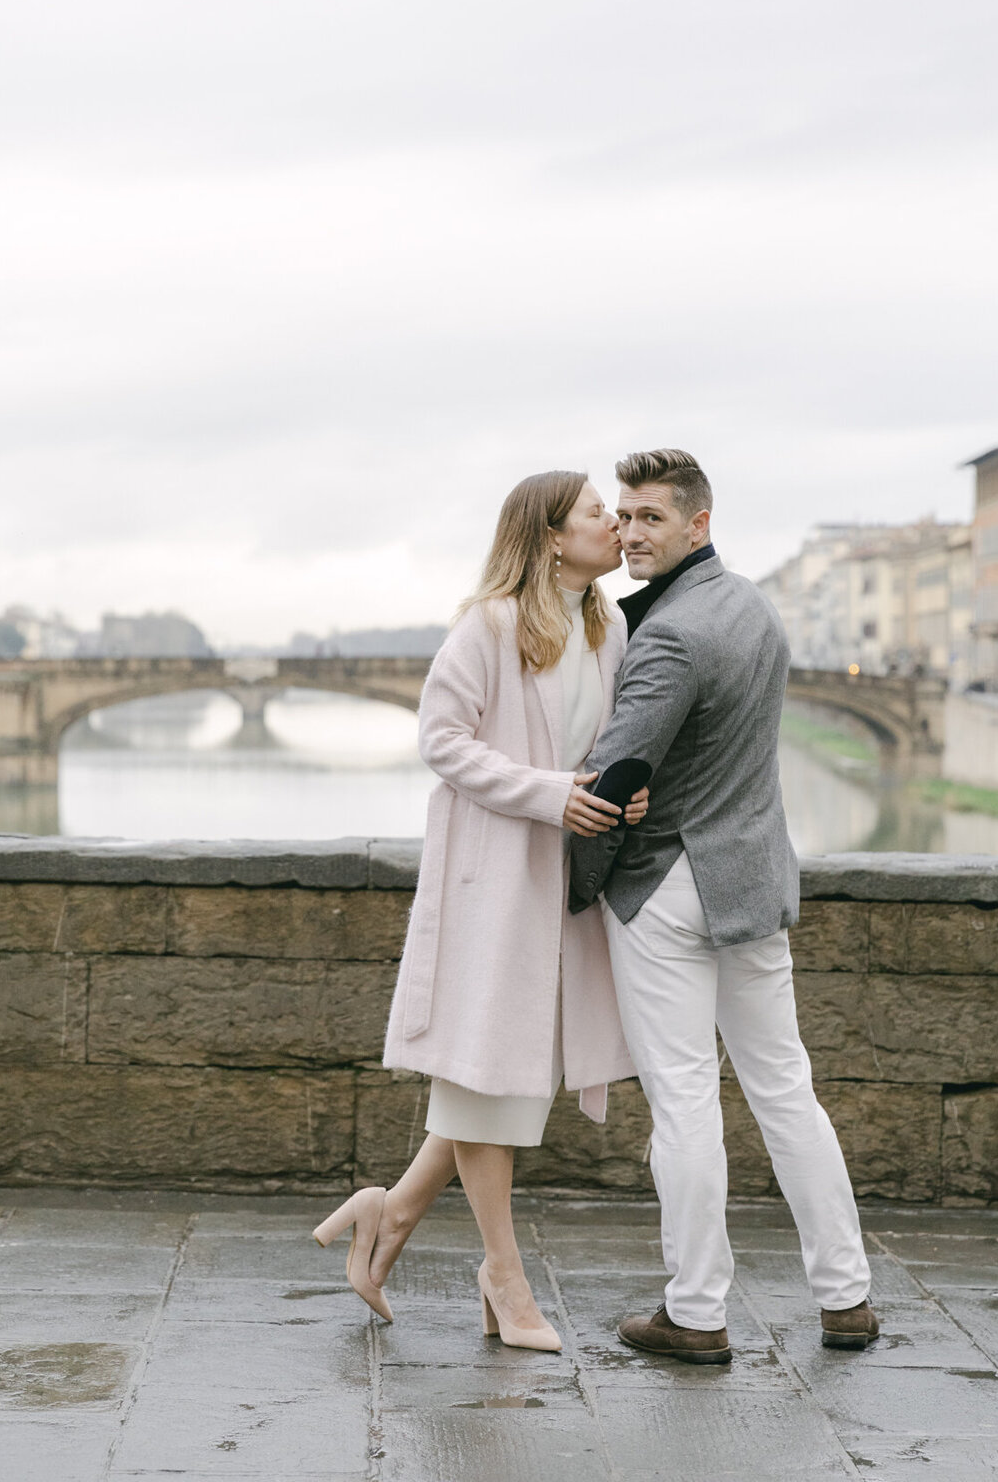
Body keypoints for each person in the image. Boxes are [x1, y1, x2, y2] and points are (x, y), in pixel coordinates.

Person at [314, 470, 643, 1350]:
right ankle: (503, 1277)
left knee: (497, 1073)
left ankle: (390, 1210)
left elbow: (599, 751)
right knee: (491, 1074)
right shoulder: (491, 625)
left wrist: (622, 797)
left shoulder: (604, 627)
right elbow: (441, 738)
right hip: (494, 878)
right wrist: (547, 793)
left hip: (561, 877)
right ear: (548, 538)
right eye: (596, 514)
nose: (614, 524)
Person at [569, 447, 878, 1365]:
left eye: (650, 518)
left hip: (668, 888)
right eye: (623, 517)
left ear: (698, 524)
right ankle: (847, 1298)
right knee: (787, 1091)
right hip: (750, 883)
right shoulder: (752, 607)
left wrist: (581, 885)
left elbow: (615, 775)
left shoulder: (668, 634)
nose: (629, 533)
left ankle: (697, 1313)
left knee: (686, 1105)